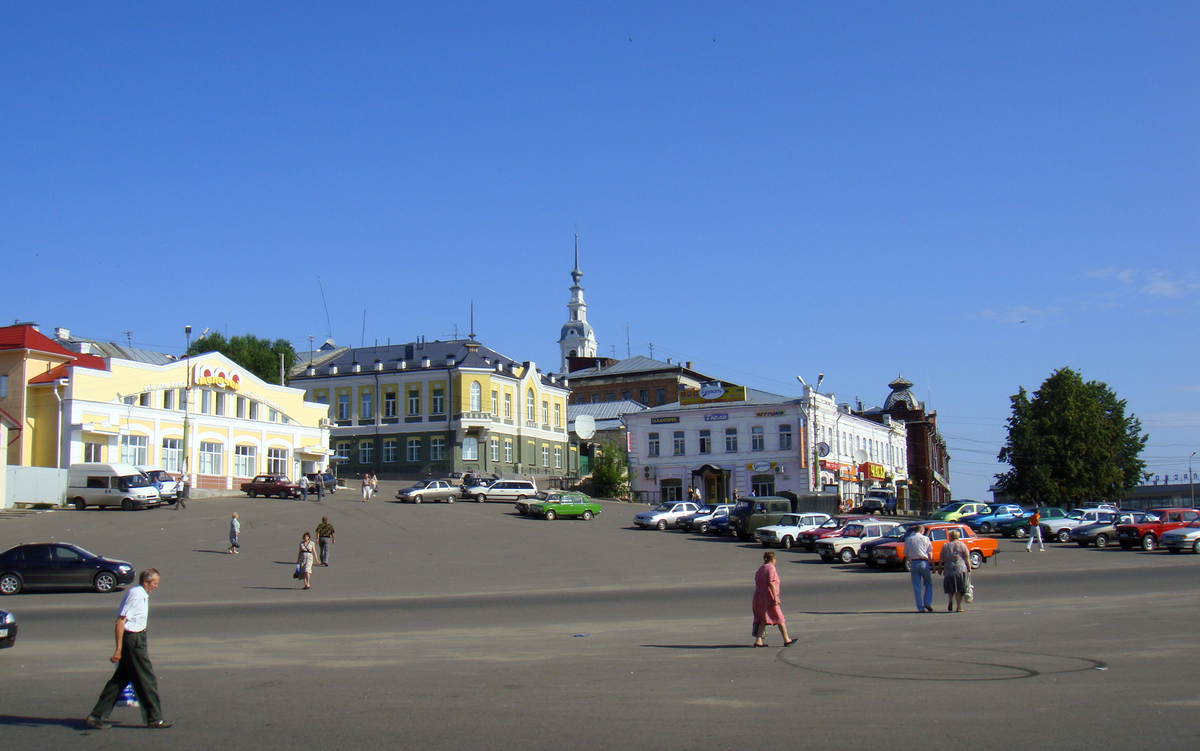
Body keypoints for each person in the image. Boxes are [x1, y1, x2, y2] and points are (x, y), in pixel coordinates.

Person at [85, 568, 174, 729]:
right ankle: (154, 718)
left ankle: (96, 716)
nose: (156, 586)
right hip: (133, 641)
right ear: (146, 582)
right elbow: (120, 622)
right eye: (155, 583)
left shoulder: (140, 594)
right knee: (147, 679)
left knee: (120, 680)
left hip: (137, 638)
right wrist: (118, 649)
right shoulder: (136, 595)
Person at [751, 551, 796, 648]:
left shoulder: (760, 569)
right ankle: (787, 640)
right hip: (768, 597)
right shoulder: (771, 568)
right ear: (773, 559)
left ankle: (758, 641)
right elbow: (771, 583)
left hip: (758, 597)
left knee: (763, 619)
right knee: (779, 618)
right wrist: (775, 597)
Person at [939, 528, 972, 612]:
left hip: (948, 568)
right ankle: (959, 606)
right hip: (960, 568)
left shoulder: (946, 546)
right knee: (959, 588)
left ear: (950, 537)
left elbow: (941, 558)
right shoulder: (962, 545)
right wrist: (969, 567)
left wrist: (939, 568)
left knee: (951, 587)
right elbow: (967, 557)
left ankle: (950, 600)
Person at [903, 525, 935, 612]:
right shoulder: (925, 539)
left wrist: (910, 560)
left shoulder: (909, 539)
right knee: (928, 584)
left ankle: (920, 607)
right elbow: (930, 552)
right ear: (922, 531)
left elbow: (906, 553)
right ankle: (927, 602)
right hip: (924, 562)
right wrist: (933, 566)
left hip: (914, 563)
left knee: (917, 586)